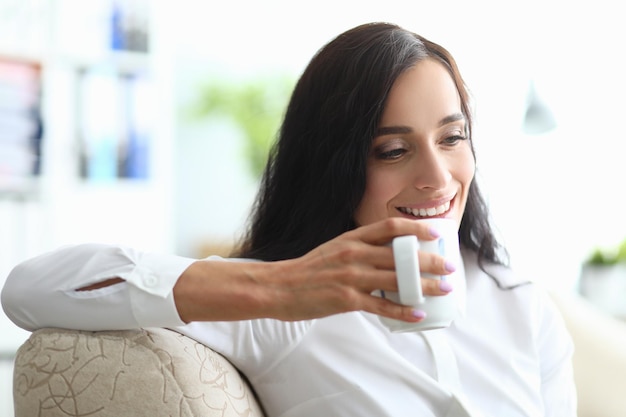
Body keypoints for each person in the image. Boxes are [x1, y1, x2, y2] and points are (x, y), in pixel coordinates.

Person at [1, 22, 576, 416]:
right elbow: (29, 290)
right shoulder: (279, 308)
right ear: (334, 163)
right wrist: (277, 286)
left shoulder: (521, 305)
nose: (437, 176)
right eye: (392, 151)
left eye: (453, 138)